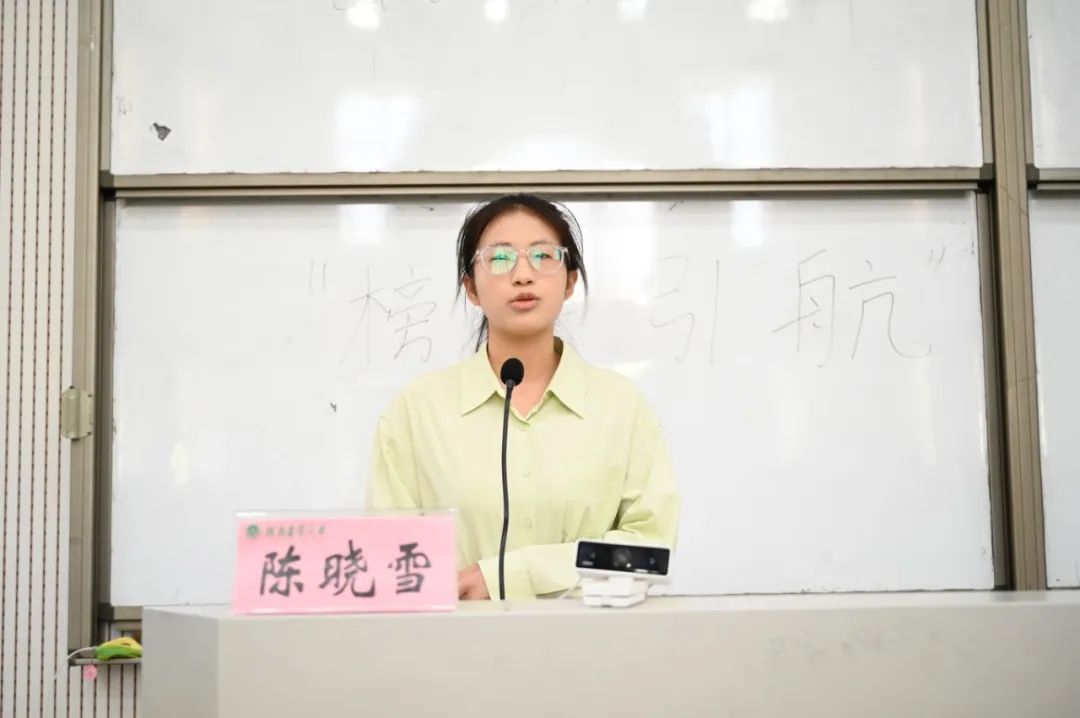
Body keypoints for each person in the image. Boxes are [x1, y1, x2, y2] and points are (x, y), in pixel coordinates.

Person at [365, 193, 679, 600]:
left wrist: (512, 575)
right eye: (499, 258)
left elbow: (649, 550)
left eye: (543, 256)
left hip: (591, 636)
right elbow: (389, 554)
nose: (523, 275)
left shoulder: (620, 406)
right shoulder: (417, 410)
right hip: (457, 635)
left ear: (570, 282)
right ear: (471, 288)